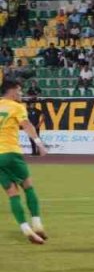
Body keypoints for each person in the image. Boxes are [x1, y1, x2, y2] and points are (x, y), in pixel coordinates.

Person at [1, 80, 48, 244]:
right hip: (10, 152)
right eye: (19, 91)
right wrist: (40, 144)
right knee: (28, 186)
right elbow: (26, 125)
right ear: (12, 91)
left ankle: (25, 229)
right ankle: (37, 224)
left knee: (12, 194)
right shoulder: (16, 107)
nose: (21, 94)